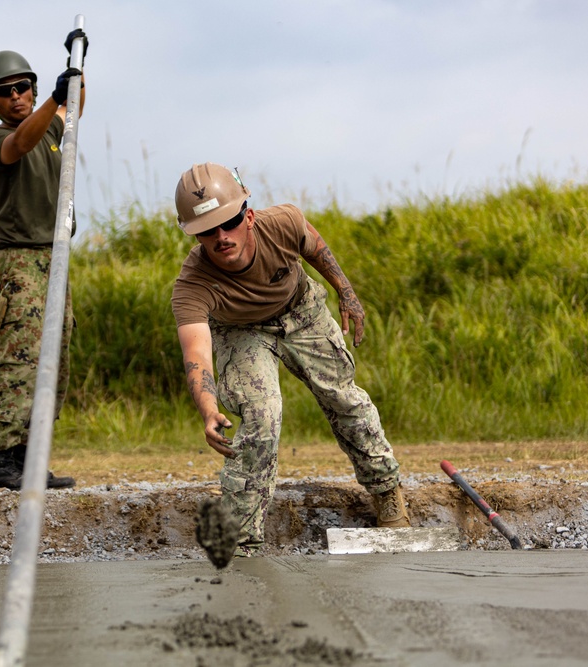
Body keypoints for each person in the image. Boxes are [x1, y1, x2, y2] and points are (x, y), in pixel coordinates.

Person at [171, 163, 410, 557]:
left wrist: (346, 293)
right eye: (206, 231)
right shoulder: (193, 284)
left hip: (302, 311)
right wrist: (208, 409)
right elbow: (196, 353)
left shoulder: (282, 222)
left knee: (343, 398)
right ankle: (241, 539)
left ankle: (387, 492)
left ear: (247, 215)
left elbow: (315, 247)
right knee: (261, 417)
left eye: (228, 223)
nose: (221, 237)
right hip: (242, 331)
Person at [0, 30, 86, 491]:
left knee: (52, 361)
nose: (16, 96)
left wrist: (77, 63)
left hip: (54, 257)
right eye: (5, 91)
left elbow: (72, 106)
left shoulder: (51, 132)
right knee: (20, 363)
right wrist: (55, 100)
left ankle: (30, 456)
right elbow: (20, 143)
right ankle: (1, 462)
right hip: (19, 264)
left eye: (23, 87)